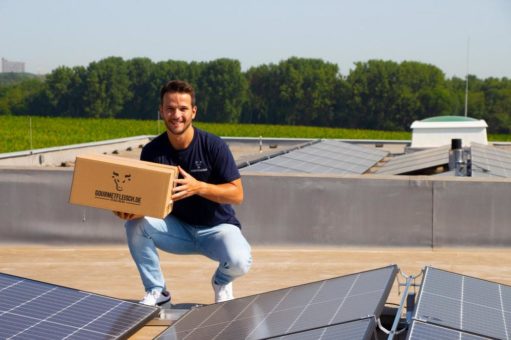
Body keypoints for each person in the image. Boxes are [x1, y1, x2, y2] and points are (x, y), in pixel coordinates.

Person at [114, 80, 252, 306]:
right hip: (177, 230)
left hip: (217, 229)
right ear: (161, 111)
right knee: (135, 225)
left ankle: (222, 281)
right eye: (170, 108)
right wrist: (129, 209)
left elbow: (237, 194)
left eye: (183, 109)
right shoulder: (152, 152)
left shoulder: (214, 146)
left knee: (240, 260)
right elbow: (146, 198)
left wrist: (199, 187)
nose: (176, 115)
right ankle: (158, 292)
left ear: (193, 112)